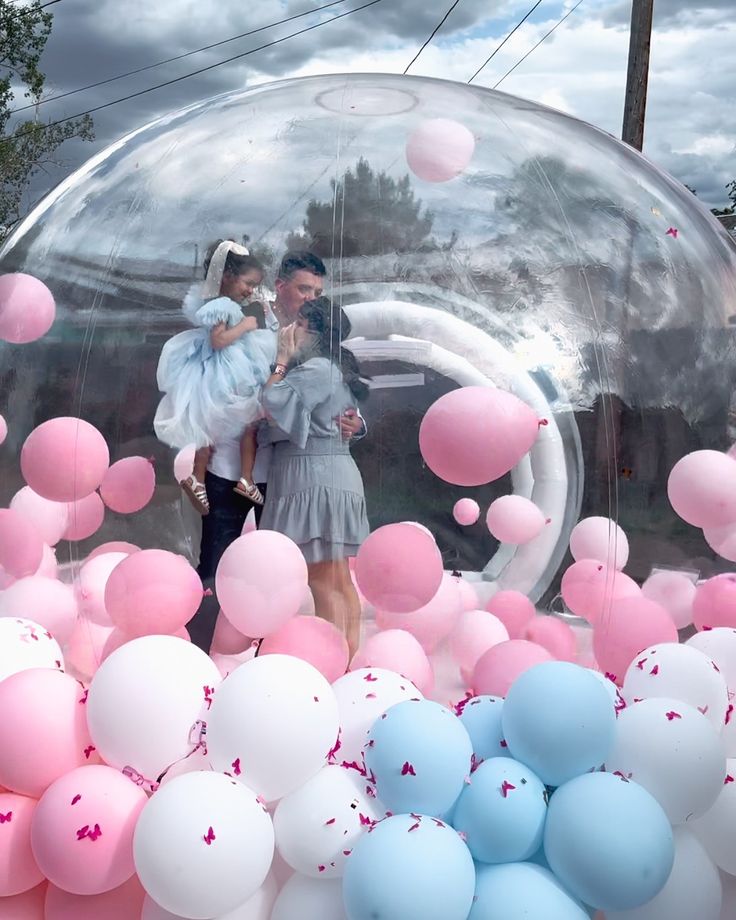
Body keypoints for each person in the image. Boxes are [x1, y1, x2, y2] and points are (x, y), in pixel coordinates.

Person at [187, 251, 366, 654]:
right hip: (234, 467)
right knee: (215, 569)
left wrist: (357, 422)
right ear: (281, 286)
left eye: (318, 291)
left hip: (288, 480)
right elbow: (214, 380)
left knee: (284, 576)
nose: (310, 298)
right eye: (304, 288)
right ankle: (197, 657)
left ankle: (271, 659)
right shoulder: (245, 321)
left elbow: (337, 395)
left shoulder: (316, 339)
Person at [260, 296, 370, 657]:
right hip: (328, 473)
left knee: (323, 579)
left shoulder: (319, 369)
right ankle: (348, 657)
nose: (296, 329)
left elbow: (273, 399)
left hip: (314, 475)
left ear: (318, 332)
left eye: (304, 324)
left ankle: (337, 660)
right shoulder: (334, 368)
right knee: (337, 578)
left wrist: (281, 359)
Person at [153, 240, 273, 514]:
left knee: (241, 423)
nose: (250, 290)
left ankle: (240, 477)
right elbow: (218, 340)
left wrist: (254, 315)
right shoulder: (221, 306)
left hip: (233, 367)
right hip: (221, 370)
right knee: (214, 424)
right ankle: (202, 477)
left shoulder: (232, 304)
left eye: (254, 285)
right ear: (228, 276)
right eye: (248, 283)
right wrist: (244, 326)